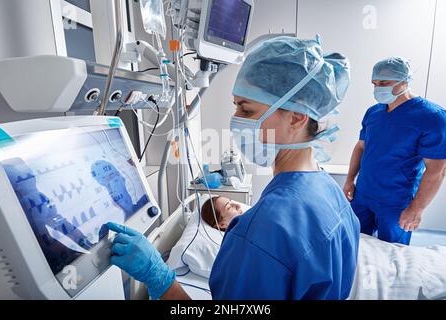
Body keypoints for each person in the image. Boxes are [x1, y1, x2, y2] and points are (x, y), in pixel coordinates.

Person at [107, 36, 360, 300]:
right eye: (236, 106)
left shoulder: (262, 231)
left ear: (297, 117)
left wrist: (157, 277)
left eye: (247, 110)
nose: (236, 120)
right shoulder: (331, 192)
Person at [344, 57, 446, 245]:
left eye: (384, 82)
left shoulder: (433, 118)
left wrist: (416, 209)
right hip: (363, 194)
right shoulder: (373, 113)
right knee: (355, 244)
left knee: (394, 255)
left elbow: (437, 170)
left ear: (405, 80)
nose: (378, 88)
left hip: (395, 202)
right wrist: (350, 179)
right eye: (374, 83)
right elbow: (361, 147)